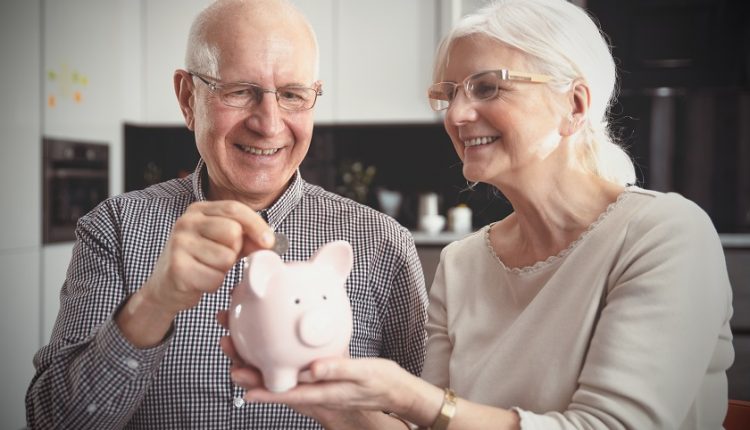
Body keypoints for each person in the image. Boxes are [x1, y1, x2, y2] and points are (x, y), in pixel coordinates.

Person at [231, 0, 735, 429]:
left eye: (487, 87)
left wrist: (414, 399)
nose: (455, 114)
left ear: (575, 105)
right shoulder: (463, 262)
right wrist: (334, 402)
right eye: (448, 93)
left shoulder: (664, 235)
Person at [25, 0, 427, 428]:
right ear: (187, 97)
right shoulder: (117, 229)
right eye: (239, 91)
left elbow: (420, 416)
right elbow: (53, 421)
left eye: (292, 94)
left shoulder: (382, 244)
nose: (269, 124)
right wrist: (154, 303)